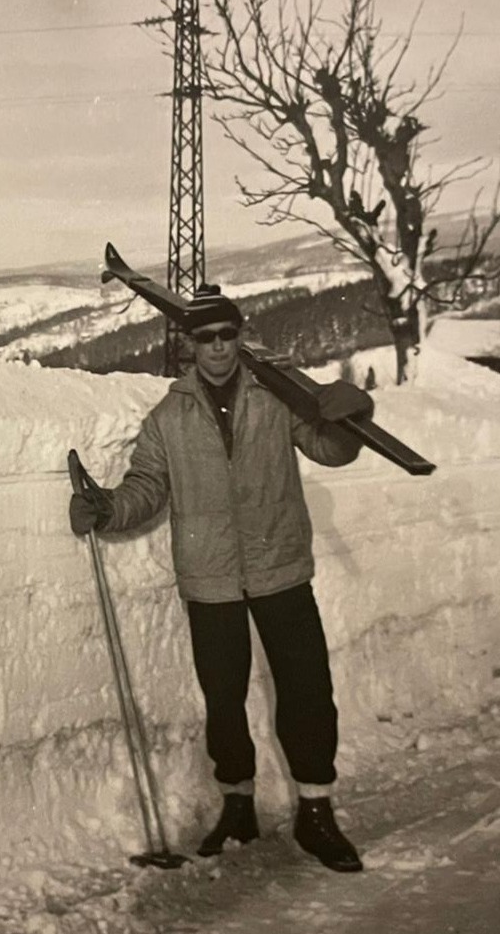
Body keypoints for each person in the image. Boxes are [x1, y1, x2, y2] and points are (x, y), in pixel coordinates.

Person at [69, 285, 372, 872]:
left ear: (239, 336)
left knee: (307, 690)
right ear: (188, 346)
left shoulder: (276, 397)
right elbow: (148, 488)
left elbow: (331, 449)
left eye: (226, 335)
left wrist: (349, 415)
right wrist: (107, 510)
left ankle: (316, 813)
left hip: (280, 565)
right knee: (224, 698)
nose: (217, 348)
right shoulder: (168, 418)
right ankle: (238, 805)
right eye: (204, 338)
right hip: (211, 579)